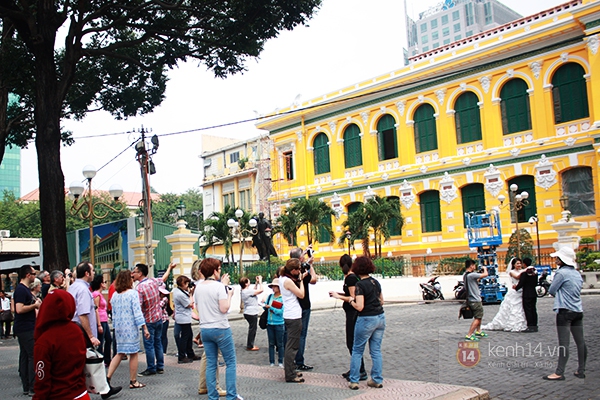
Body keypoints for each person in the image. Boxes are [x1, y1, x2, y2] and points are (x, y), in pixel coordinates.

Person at [68, 261, 122, 400]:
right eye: (92, 271)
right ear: (86, 273)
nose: (94, 273)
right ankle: (94, 390)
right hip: (82, 332)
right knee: (90, 362)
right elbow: (83, 313)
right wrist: (91, 335)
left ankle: (104, 388)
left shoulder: (73, 287)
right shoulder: (83, 290)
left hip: (75, 330)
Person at [196, 257, 243, 400]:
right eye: (219, 269)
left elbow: (197, 307)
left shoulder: (198, 287)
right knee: (230, 362)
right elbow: (224, 308)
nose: (220, 271)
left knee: (211, 363)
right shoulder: (218, 287)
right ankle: (231, 395)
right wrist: (229, 295)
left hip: (205, 328)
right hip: (220, 328)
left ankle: (212, 396)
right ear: (214, 271)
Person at [33, 289, 89, 400]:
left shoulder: (45, 341)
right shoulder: (77, 330)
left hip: (58, 395)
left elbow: (42, 380)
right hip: (81, 393)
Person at [544, 247, 587, 381]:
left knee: (564, 343)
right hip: (577, 310)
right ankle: (581, 370)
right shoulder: (576, 273)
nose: (556, 260)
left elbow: (551, 290)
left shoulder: (561, 273)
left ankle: (559, 372)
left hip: (565, 311)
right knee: (581, 342)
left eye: (557, 258)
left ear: (562, 260)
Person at [345, 256, 385, 390]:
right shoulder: (375, 282)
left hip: (366, 318)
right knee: (376, 350)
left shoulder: (360, 285)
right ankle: (377, 379)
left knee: (357, 350)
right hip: (380, 317)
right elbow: (381, 301)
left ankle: (354, 380)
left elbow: (359, 306)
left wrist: (350, 300)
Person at [106, 270, 151, 390]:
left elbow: (113, 313)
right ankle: (133, 380)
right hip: (130, 327)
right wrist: (144, 328)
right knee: (133, 353)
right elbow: (137, 312)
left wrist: (115, 327)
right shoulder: (132, 293)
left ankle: (108, 377)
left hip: (119, 328)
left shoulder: (115, 295)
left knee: (119, 353)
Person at [328, 254, 367, 381]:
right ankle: (357, 368)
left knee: (352, 342)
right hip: (350, 313)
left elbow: (352, 297)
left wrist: (338, 297)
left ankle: (360, 369)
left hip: (353, 313)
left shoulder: (350, 278)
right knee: (352, 342)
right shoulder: (351, 277)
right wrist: (337, 294)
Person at [133, 262, 172, 376]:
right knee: (158, 342)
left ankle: (151, 367)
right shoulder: (153, 281)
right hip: (158, 317)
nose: (133, 274)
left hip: (148, 320)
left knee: (149, 344)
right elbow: (163, 278)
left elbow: (139, 306)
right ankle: (160, 366)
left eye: (135, 272)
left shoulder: (139, 288)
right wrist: (169, 267)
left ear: (140, 273)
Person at [14, 264, 42, 396]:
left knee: (25, 355)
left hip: (25, 327)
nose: (35, 276)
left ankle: (26, 385)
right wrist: (34, 305)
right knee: (32, 355)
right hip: (25, 327)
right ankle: (32, 386)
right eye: (34, 273)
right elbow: (19, 309)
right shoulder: (21, 290)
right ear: (27, 275)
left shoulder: (24, 290)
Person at [279, 258, 307, 383]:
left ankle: (291, 370)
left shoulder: (282, 278)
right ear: (293, 270)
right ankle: (289, 374)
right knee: (292, 346)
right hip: (293, 315)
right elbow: (301, 294)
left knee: (291, 345)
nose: (299, 271)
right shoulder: (288, 281)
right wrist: (301, 281)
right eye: (298, 269)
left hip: (290, 314)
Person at [290, 247, 317, 371]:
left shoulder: (288, 271)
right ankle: (299, 361)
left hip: (292, 307)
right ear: (300, 258)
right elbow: (313, 280)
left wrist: (304, 254)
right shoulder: (302, 271)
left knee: (291, 335)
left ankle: (291, 360)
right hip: (304, 305)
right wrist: (310, 265)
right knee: (302, 335)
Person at [482, 258, 527, 332]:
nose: (519, 265)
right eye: (517, 263)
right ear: (513, 265)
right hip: (515, 292)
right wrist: (527, 270)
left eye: (520, 263)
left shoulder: (522, 271)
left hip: (521, 292)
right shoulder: (512, 272)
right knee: (514, 308)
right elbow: (518, 277)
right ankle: (512, 323)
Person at [173, 274, 201, 363]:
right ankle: (182, 356)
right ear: (183, 284)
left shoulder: (179, 291)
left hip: (185, 318)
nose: (188, 285)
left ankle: (190, 354)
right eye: (187, 284)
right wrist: (191, 294)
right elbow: (190, 304)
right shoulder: (179, 294)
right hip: (183, 319)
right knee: (185, 338)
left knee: (189, 336)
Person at [463, 259, 488, 341]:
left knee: (479, 316)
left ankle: (478, 330)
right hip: (475, 299)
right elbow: (485, 274)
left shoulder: (466, 275)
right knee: (477, 318)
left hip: (471, 299)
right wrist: (485, 269)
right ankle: (469, 334)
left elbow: (476, 280)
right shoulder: (472, 275)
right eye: (474, 265)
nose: (475, 267)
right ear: (471, 266)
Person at [91, 274, 112, 365]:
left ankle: (106, 358)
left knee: (108, 339)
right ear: (100, 284)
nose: (105, 284)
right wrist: (99, 324)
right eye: (104, 282)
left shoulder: (100, 294)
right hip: (101, 320)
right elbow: (96, 309)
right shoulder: (96, 294)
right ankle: (101, 359)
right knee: (102, 340)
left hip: (104, 319)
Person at [264, 278, 285, 367]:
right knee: (271, 343)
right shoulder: (270, 297)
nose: (273, 288)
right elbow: (265, 306)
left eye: (275, 287)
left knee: (280, 344)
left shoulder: (282, 298)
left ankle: (280, 361)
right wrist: (265, 307)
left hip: (279, 323)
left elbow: (281, 312)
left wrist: (271, 308)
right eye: (272, 286)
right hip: (270, 323)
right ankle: (271, 361)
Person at [240, 275, 263, 351]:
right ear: (246, 283)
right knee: (252, 329)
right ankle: (250, 345)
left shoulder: (244, 291)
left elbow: (254, 291)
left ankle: (250, 344)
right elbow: (261, 290)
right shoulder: (247, 291)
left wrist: (256, 283)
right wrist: (260, 282)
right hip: (251, 312)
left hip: (248, 311)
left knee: (252, 328)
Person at [516, 257, 539, 332]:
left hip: (526, 294)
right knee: (533, 309)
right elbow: (536, 283)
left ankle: (530, 326)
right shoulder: (534, 273)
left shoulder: (524, 274)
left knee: (528, 310)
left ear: (524, 264)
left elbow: (521, 284)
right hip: (533, 293)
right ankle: (535, 325)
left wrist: (515, 288)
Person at [158, 283, 172, 354]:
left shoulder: (165, 299)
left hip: (164, 319)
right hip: (158, 319)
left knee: (163, 335)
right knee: (158, 336)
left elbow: (159, 306)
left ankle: (163, 351)